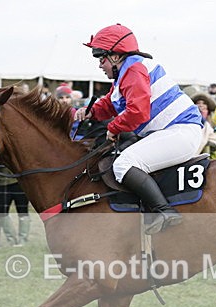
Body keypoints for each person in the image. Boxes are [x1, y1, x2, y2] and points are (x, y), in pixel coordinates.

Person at [74, 23, 203, 234]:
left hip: (179, 132)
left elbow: (137, 112)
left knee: (123, 164)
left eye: (101, 58)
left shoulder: (133, 70)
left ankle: (164, 211)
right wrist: (91, 111)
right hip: (172, 132)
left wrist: (113, 128)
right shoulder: (126, 72)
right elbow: (111, 103)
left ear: (115, 56)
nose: (100, 65)